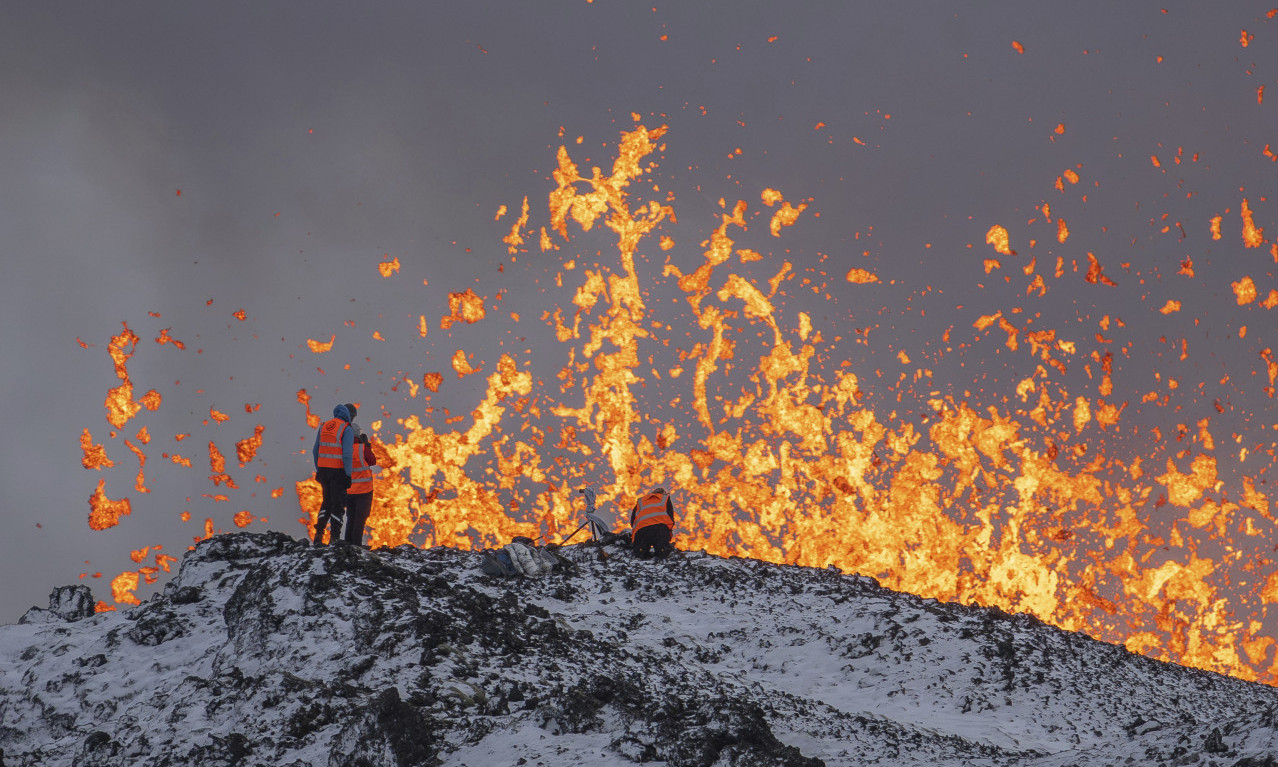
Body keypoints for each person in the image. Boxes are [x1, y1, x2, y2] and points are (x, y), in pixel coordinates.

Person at [311, 403, 355, 545]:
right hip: (338, 472)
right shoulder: (346, 428)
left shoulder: (324, 426)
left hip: (324, 471)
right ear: (349, 415)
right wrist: (348, 475)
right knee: (338, 505)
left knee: (326, 502)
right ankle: (334, 537)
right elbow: (347, 454)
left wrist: (319, 468)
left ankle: (319, 533)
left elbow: (315, 450)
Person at [343, 432, 379, 545]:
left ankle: (347, 544)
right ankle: (356, 545)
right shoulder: (362, 448)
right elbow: (372, 461)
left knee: (350, 518)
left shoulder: (343, 448)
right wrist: (367, 446)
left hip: (349, 490)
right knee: (360, 519)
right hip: (364, 490)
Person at [630, 486, 675, 559]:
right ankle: (661, 552)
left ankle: (642, 552)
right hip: (659, 530)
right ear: (663, 493)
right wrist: (668, 531)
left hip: (642, 531)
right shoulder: (665, 498)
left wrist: (636, 533)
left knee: (641, 554)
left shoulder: (641, 501)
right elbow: (670, 516)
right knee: (662, 552)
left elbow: (633, 520)